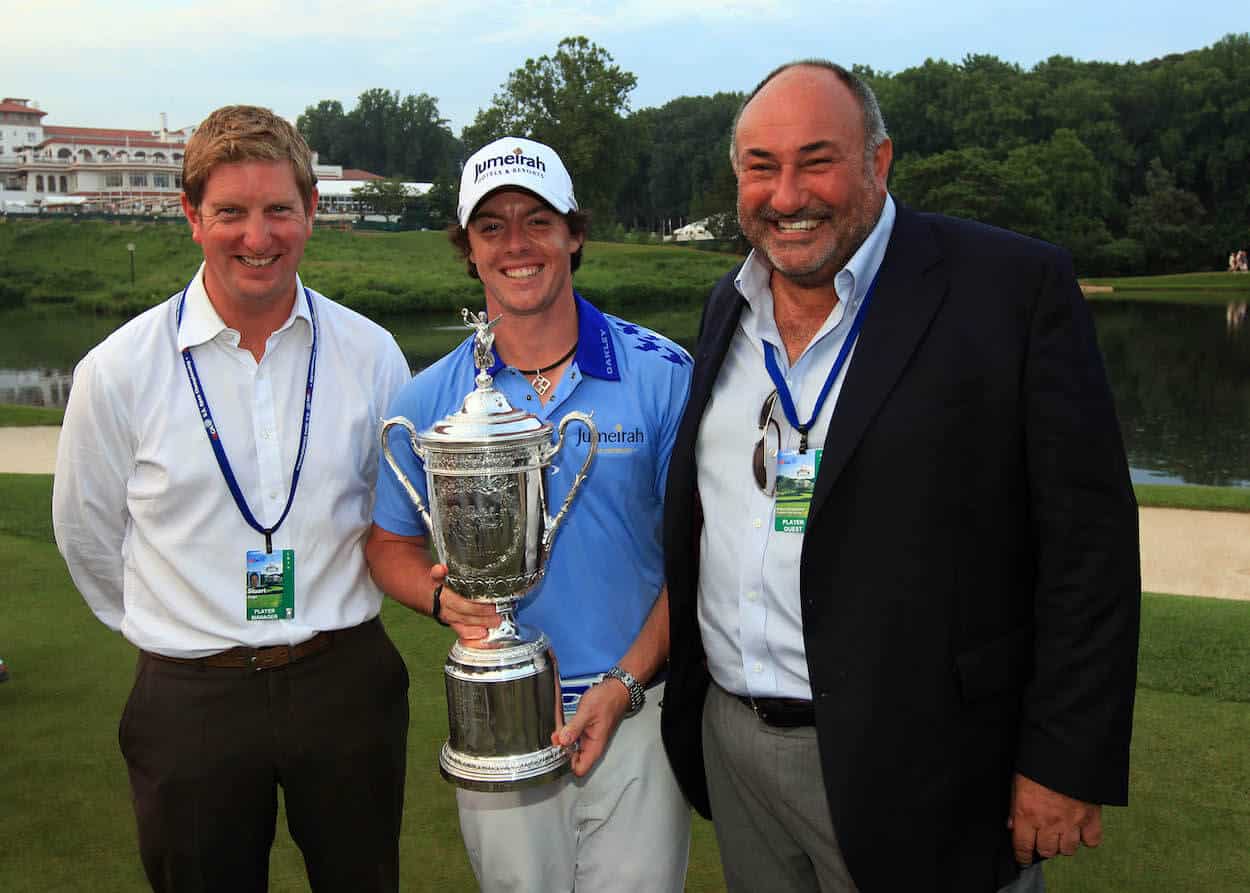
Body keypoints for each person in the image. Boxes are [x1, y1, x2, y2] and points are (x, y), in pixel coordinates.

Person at [660, 61, 1141, 892]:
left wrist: (1064, 758)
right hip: (736, 746)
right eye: (760, 167)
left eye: (817, 161)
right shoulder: (726, 307)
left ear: (879, 162)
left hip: (929, 765)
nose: (786, 195)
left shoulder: (1010, 290)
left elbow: (1089, 546)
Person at [52, 105, 412, 892]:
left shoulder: (372, 354)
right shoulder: (117, 371)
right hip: (192, 695)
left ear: (312, 212)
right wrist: (178, 628)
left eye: (279, 209)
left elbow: (398, 517)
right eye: (231, 213)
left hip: (343, 681)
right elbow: (87, 533)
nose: (258, 236)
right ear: (191, 216)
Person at [366, 136, 692, 892]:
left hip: (636, 709)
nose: (516, 244)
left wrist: (624, 684)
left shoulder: (663, 374)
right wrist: (443, 598)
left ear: (573, 235)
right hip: (497, 713)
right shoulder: (430, 399)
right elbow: (386, 541)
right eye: (491, 226)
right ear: (468, 250)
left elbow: (698, 559)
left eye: (537, 220)